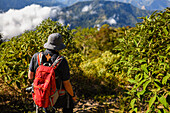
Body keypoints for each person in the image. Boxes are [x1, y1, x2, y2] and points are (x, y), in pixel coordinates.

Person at [28, 33, 77, 113]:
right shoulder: (61, 61)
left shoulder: (36, 56)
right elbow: (66, 83)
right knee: (69, 100)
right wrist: (73, 95)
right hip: (58, 97)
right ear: (58, 47)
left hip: (42, 94)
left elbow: (30, 76)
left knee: (46, 100)